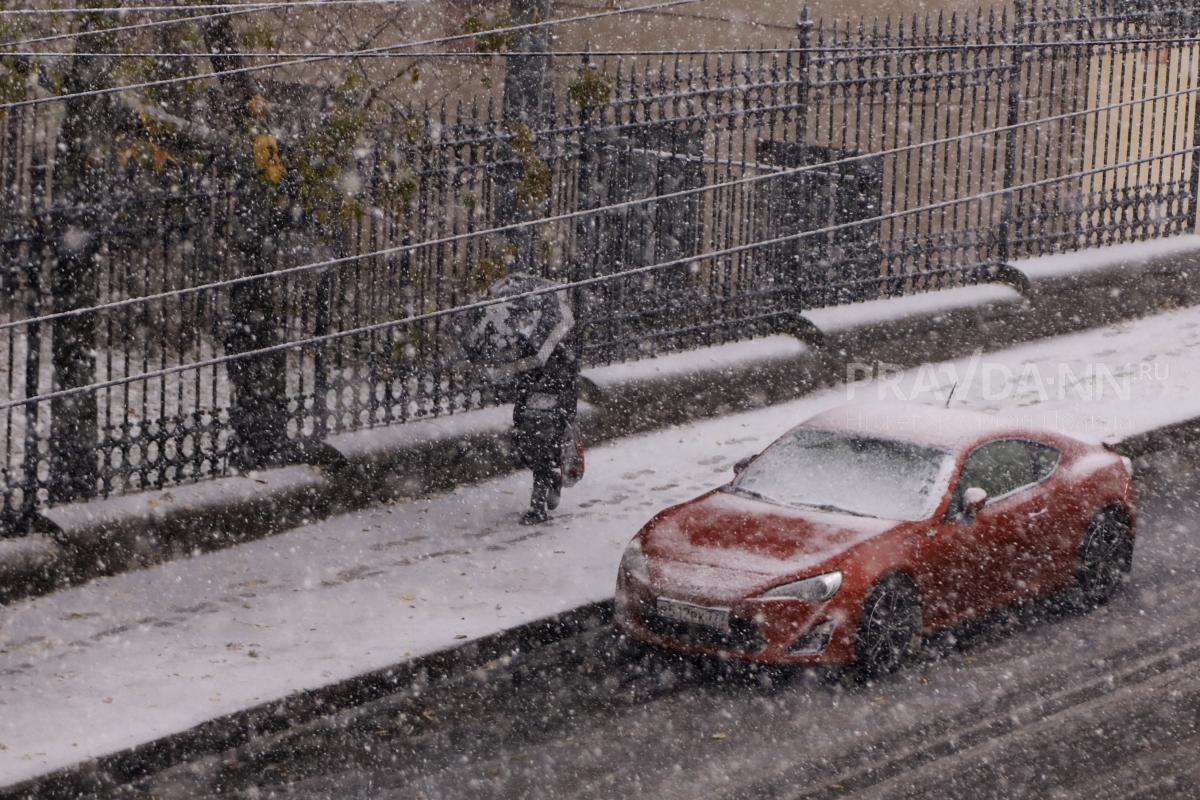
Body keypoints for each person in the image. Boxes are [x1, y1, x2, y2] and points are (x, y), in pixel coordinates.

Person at [508, 341, 579, 524]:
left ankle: (537, 509)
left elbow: (568, 391)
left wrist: (562, 417)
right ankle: (553, 479)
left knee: (541, 459)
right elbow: (522, 388)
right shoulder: (528, 351)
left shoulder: (562, 357)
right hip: (531, 415)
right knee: (525, 456)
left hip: (550, 417)